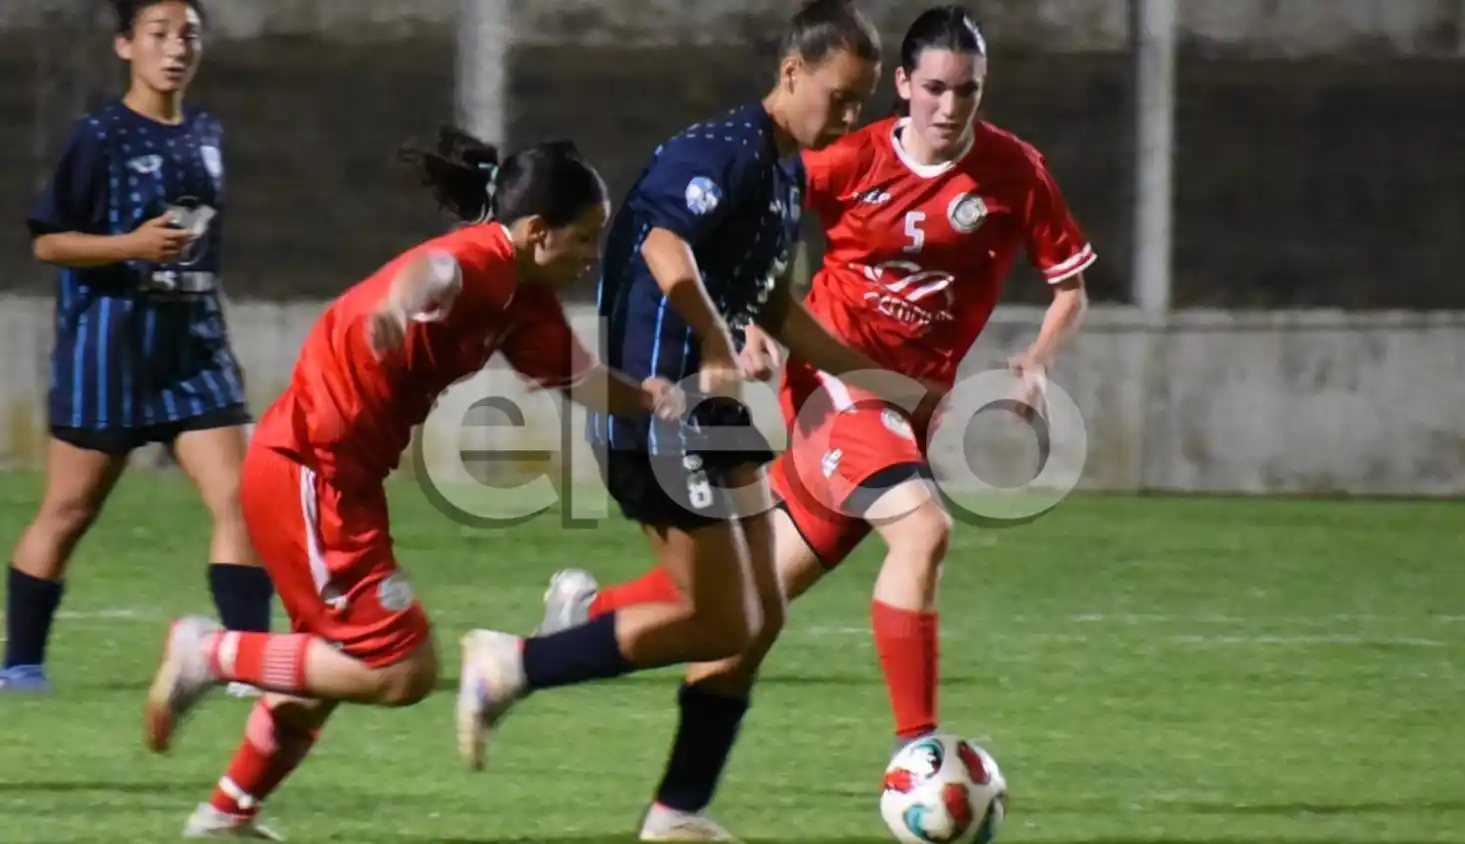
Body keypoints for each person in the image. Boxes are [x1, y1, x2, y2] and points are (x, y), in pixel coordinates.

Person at [538, 6, 1095, 837]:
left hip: (907, 409)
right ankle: (921, 755)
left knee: (745, 605)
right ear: (902, 88)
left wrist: (1038, 366)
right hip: (838, 390)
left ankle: (582, 633)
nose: (949, 107)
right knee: (923, 532)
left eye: (967, 91)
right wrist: (757, 322)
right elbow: (760, 221)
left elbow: (1071, 284)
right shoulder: (849, 156)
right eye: (934, 88)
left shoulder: (1015, 172)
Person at [451, 2, 938, 839]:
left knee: (760, 618)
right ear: (792, 74)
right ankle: (514, 665)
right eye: (841, 96)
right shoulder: (722, 154)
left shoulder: (785, 175)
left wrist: (871, 379)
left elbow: (773, 305)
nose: (851, 117)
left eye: (862, 103)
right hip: (657, 406)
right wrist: (714, 340)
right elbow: (661, 247)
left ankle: (679, 811)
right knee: (718, 618)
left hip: (711, 411)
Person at [140, 130, 675, 839]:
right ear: (537, 232)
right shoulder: (482, 259)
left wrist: (650, 399)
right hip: (311, 469)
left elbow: (581, 382)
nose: (590, 256)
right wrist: (398, 307)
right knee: (401, 667)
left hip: (340, 478)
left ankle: (228, 812)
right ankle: (207, 654)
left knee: (331, 662)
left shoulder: (528, 304)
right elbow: (434, 274)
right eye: (583, 239)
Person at [2, 0, 273, 694]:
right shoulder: (99, 136)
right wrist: (129, 246)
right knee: (67, 514)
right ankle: (21, 663)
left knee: (246, 499)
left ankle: (246, 658)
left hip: (192, 355)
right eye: (158, 34)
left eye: (188, 34)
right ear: (125, 45)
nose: (176, 48)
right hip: (108, 357)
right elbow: (48, 240)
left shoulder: (208, 133)